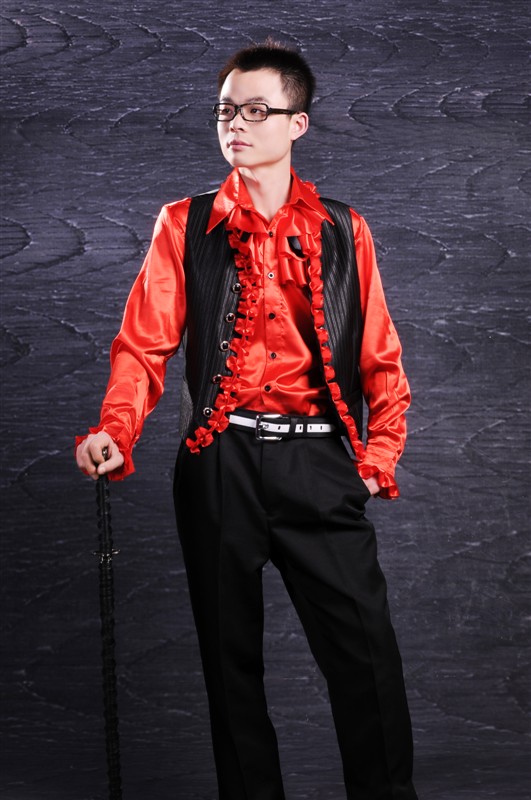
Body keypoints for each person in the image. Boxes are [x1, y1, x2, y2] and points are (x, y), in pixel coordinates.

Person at [76, 40, 418, 800]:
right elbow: (143, 346)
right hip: (219, 465)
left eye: (257, 109)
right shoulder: (183, 223)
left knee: (367, 663)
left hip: (318, 466)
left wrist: (375, 461)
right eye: (226, 109)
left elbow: (381, 362)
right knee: (231, 674)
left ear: (298, 123)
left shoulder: (344, 229)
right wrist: (115, 430)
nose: (236, 122)